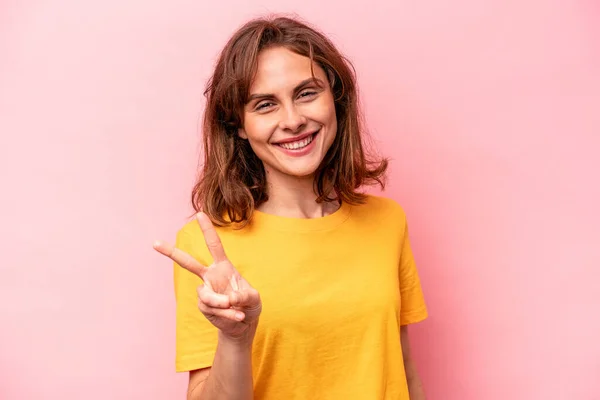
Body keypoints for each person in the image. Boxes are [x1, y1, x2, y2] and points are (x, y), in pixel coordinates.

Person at [153, 15, 428, 400]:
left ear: (336, 99)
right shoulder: (205, 244)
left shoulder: (387, 221)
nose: (294, 120)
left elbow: (404, 372)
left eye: (307, 93)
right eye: (265, 105)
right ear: (239, 126)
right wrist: (235, 338)